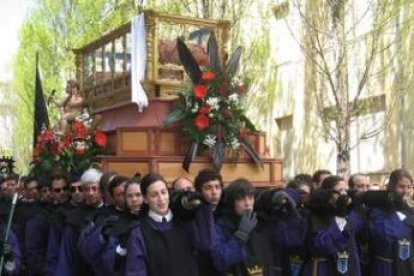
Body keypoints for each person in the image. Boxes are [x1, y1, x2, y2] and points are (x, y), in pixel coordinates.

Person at [125, 173, 214, 276]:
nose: (161, 199)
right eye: (154, 195)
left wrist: (202, 206)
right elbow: (136, 271)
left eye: (163, 192)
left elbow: (206, 245)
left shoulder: (184, 221)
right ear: (145, 199)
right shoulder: (138, 232)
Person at [303, 175, 362, 276]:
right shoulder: (316, 216)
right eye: (340, 190)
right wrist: (338, 220)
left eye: (345, 190)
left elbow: (352, 250)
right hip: (324, 269)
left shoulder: (347, 215)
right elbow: (323, 245)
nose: (344, 194)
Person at [366, 169, 414, 276]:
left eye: (409, 187)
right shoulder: (379, 209)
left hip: (407, 264)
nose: (406, 191)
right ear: (391, 187)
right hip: (387, 266)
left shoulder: (409, 209)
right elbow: (387, 235)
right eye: (401, 187)